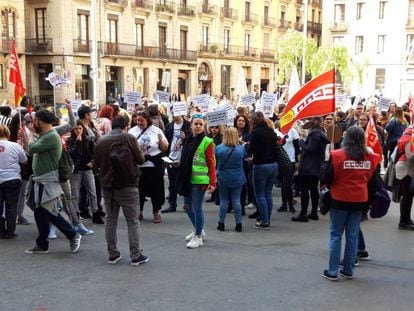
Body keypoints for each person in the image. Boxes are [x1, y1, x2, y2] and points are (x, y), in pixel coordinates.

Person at [321, 127, 380, 281]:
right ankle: (348, 269)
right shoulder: (371, 157)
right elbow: (372, 182)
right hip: (360, 199)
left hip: (339, 198)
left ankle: (332, 271)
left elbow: (327, 178)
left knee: (335, 235)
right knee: (352, 235)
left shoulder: (337, 155)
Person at [22, 110, 81, 254]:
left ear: (41, 121)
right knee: (40, 211)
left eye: (34, 120)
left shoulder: (51, 136)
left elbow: (32, 149)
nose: (32, 123)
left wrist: (29, 135)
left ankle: (72, 234)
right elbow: (31, 150)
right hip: (41, 179)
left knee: (49, 210)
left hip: (47, 180)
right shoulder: (45, 135)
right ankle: (42, 244)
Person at [94, 116, 149, 266]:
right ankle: (135, 255)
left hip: (108, 186)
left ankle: (112, 254)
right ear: (125, 126)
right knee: (132, 221)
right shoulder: (128, 138)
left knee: (111, 220)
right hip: (127, 184)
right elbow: (140, 159)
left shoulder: (101, 140)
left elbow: (96, 163)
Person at [176, 114, 216, 248]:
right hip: (187, 179)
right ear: (191, 125)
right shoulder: (188, 140)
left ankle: (198, 236)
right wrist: (178, 163)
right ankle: (198, 229)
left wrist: (213, 182)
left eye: (200, 124)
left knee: (196, 208)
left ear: (204, 126)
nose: (198, 126)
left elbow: (211, 163)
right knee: (187, 207)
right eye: (196, 124)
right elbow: (186, 158)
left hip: (199, 180)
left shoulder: (207, 142)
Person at [129, 110, 168, 223]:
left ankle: (156, 211)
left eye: (142, 120)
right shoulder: (132, 131)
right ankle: (139, 211)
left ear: (148, 120)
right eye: (137, 120)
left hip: (154, 163)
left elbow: (165, 148)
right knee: (139, 189)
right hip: (139, 164)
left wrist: (161, 140)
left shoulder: (156, 130)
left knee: (156, 188)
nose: (139, 123)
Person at [292, 117, 330, 222]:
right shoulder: (321, 133)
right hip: (316, 166)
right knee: (313, 189)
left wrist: (301, 142)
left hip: (309, 166)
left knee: (305, 190)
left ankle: (303, 214)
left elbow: (310, 148)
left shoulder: (315, 134)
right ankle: (313, 213)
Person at [247, 112, 280, 229]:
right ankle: (267, 218)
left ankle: (264, 220)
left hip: (261, 165)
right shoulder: (271, 131)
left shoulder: (255, 132)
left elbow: (251, 150)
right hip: (273, 164)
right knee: (268, 193)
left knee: (260, 194)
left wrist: (246, 146)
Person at [66, 121, 103, 225]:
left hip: (87, 169)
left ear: (83, 129)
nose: (78, 131)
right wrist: (77, 142)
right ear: (72, 130)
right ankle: (75, 216)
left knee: (92, 193)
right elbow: (71, 154)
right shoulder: (70, 141)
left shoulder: (89, 140)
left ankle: (95, 214)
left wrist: (92, 162)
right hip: (76, 171)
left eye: (80, 128)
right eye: (76, 129)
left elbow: (95, 153)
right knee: (75, 194)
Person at [215, 127, 246, 232]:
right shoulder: (240, 148)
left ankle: (221, 223)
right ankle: (238, 224)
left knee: (224, 201)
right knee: (236, 200)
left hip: (223, 177)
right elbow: (245, 157)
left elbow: (215, 160)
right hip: (237, 177)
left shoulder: (219, 148)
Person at [0, 125, 27, 238]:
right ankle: (10, 231)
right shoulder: (15, 146)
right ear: (7, 133)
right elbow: (24, 160)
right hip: (13, 179)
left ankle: (1, 231)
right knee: (11, 206)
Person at [161, 112, 190, 213]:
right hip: (171, 158)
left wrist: (185, 138)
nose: (174, 115)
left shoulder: (188, 125)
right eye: (173, 113)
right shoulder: (169, 126)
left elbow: (193, 141)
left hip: (184, 159)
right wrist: (165, 157)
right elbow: (165, 141)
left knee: (186, 182)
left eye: (176, 112)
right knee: (172, 183)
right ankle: (172, 204)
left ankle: (187, 204)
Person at [395, 126, 414, 230]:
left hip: (407, 169)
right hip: (405, 169)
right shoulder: (409, 137)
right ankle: (403, 222)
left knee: (408, 197)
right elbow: (410, 155)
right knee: (406, 197)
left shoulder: (409, 135)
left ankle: (407, 220)